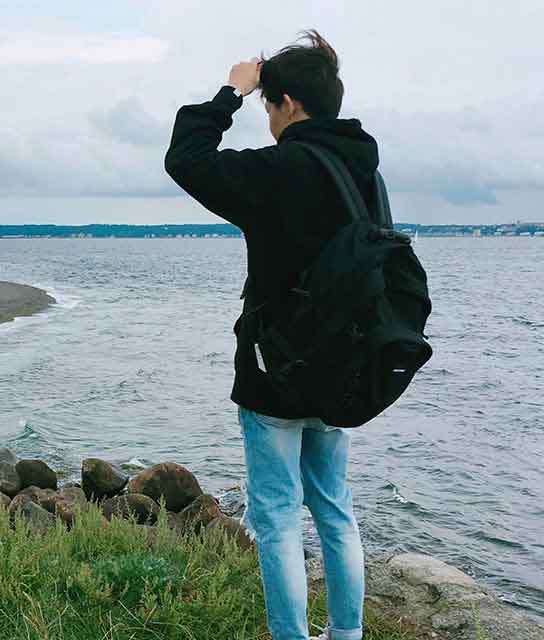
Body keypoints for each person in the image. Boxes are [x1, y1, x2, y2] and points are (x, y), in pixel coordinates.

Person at [165, 31, 368, 640]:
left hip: (275, 370)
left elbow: (187, 158)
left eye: (267, 107)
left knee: (277, 516)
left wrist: (231, 89)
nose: (268, 120)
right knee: (335, 511)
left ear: (286, 104)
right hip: (343, 369)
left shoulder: (280, 170)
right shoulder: (362, 170)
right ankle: (347, 634)